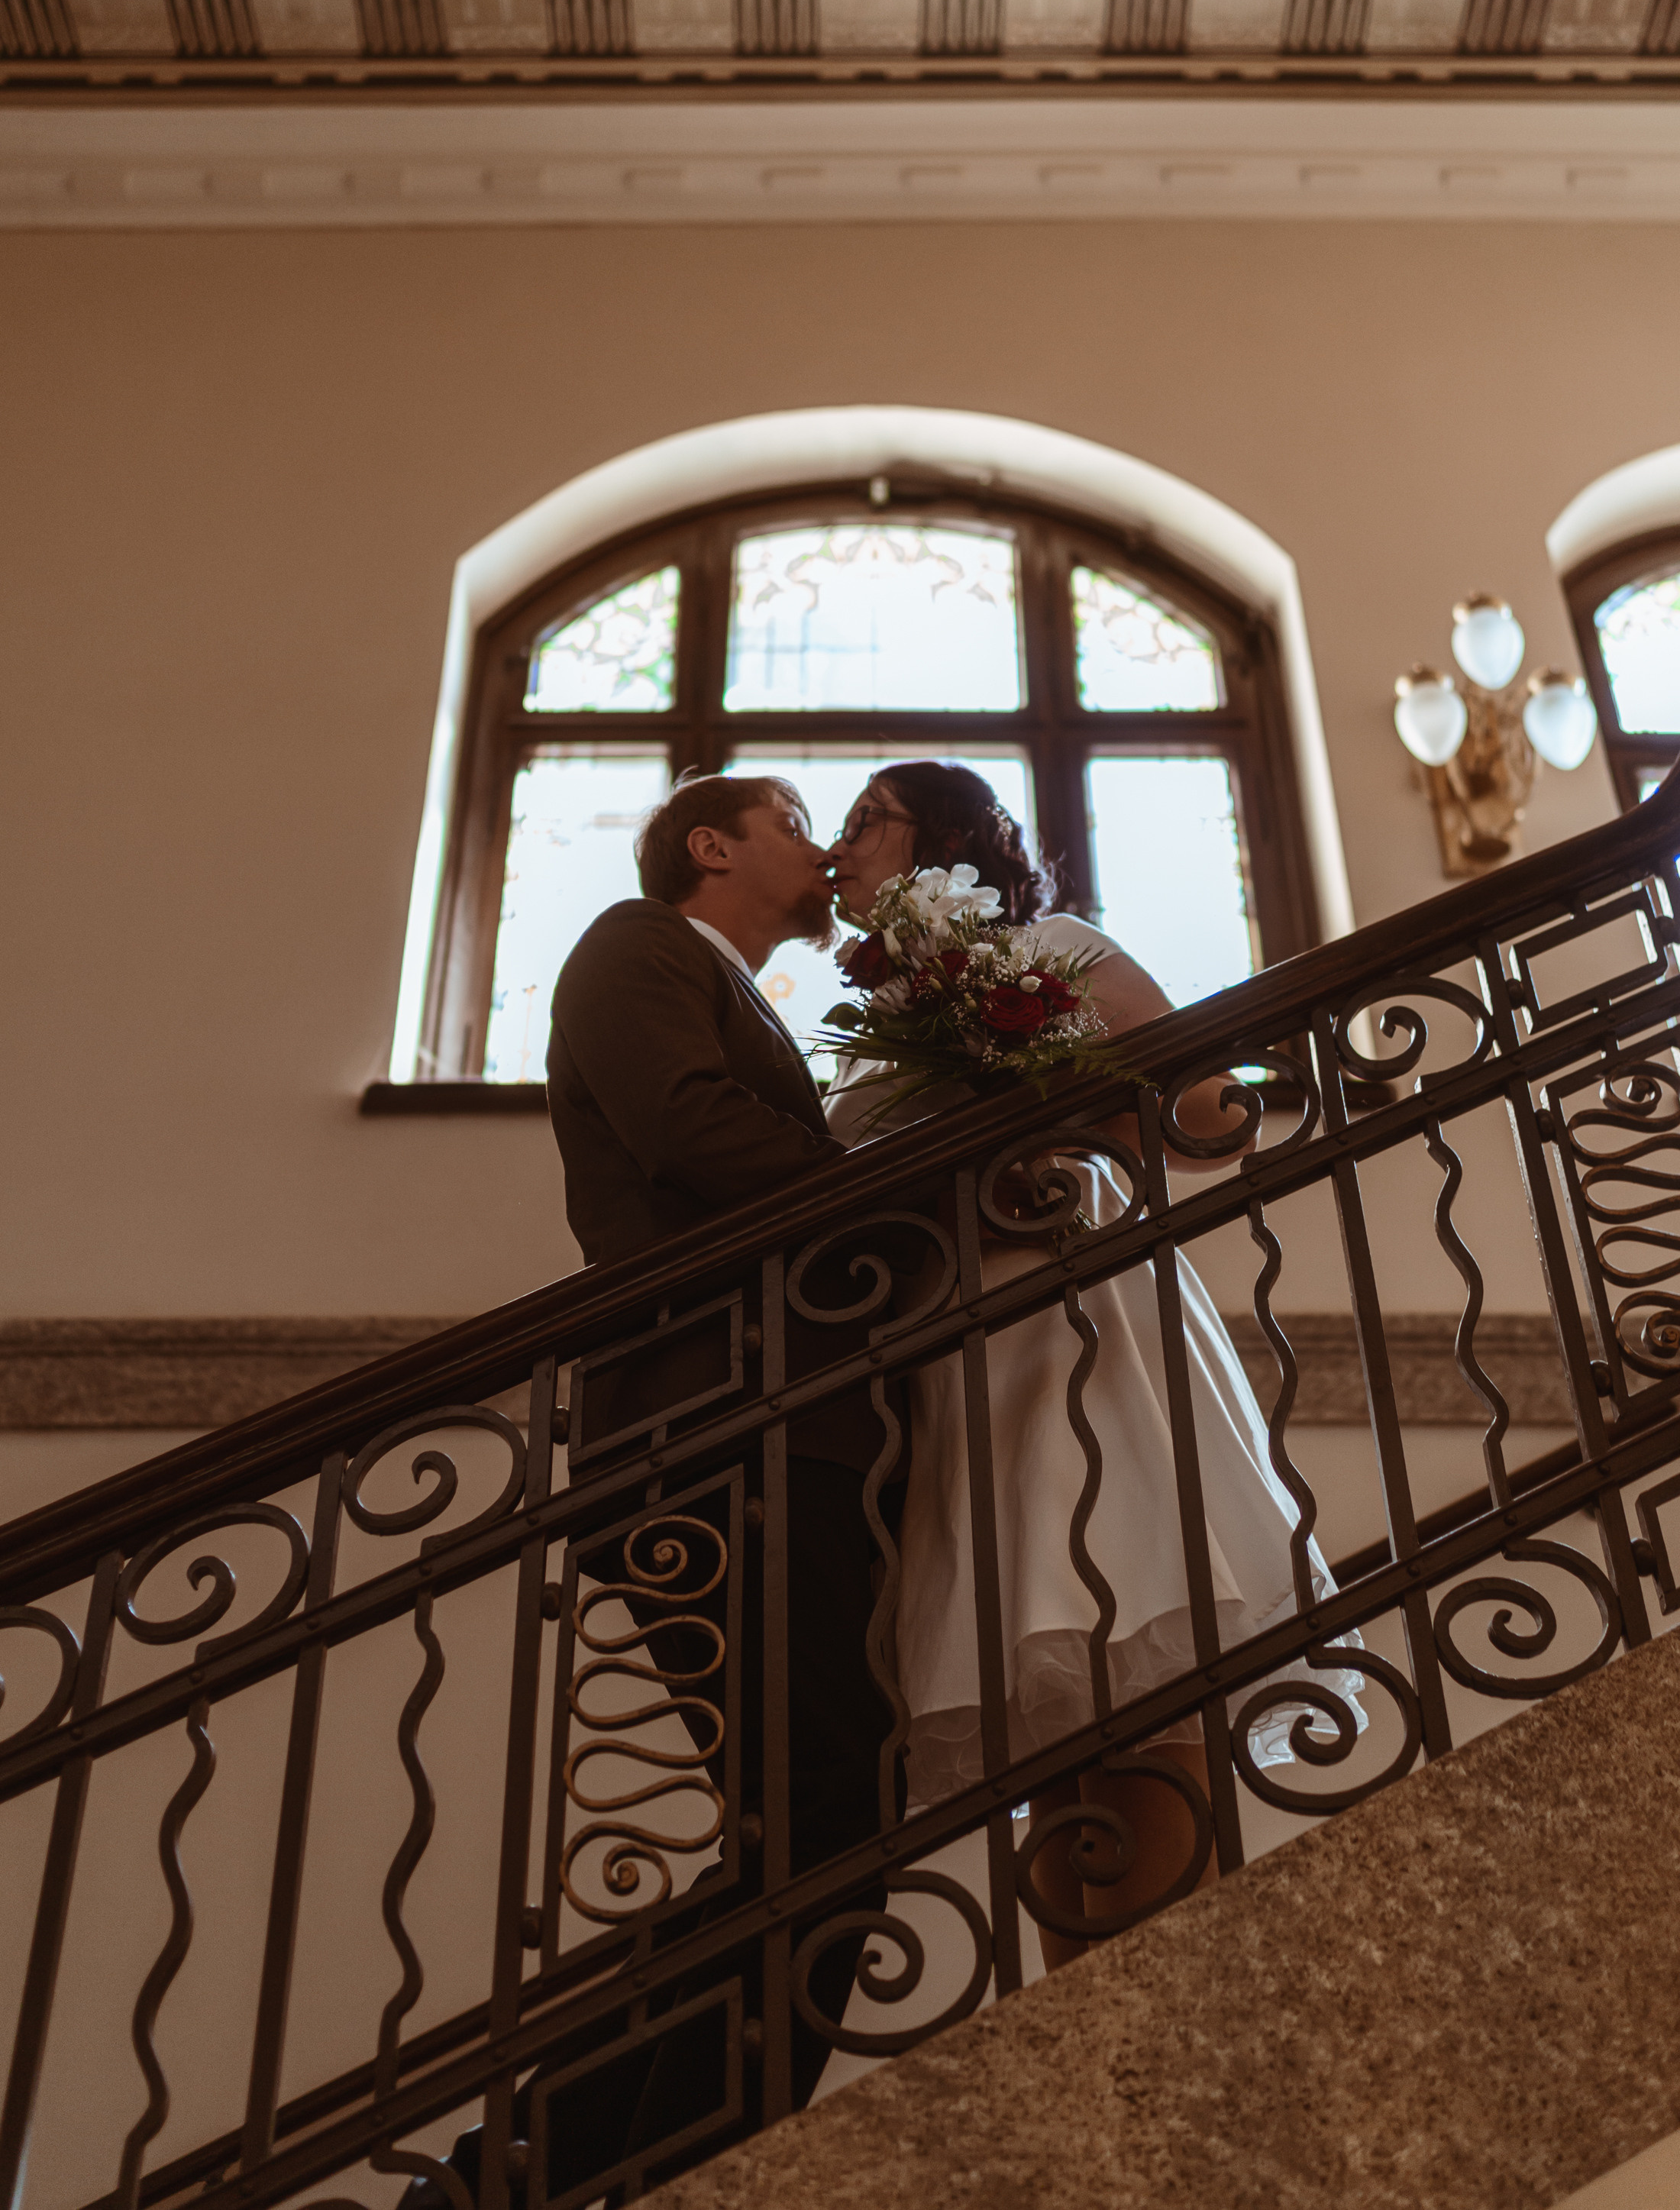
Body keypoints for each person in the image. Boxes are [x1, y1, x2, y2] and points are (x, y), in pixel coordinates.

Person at [413, 774, 898, 2208]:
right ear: (712, 847)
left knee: (817, 1818)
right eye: (797, 827)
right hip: (703, 1424)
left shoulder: (743, 996)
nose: (819, 855)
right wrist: (901, 1189)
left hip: (781, 1428)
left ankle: (544, 2163)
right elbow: (688, 1129)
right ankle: (546, 2160)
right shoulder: (636, 945)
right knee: (830, 1810)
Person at [825, 761, 1362, 1971]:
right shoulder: (861, 1034)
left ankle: (1173, 2026)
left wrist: (1044, 1103)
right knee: (1047, 1709)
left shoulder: (1047, 944)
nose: (838, 847)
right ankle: (1085, 2057)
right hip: (958, 1360)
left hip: (1074, 1319)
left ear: (947, 840)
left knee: (1139, 1640)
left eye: (867, 821)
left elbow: (1211, 1116)